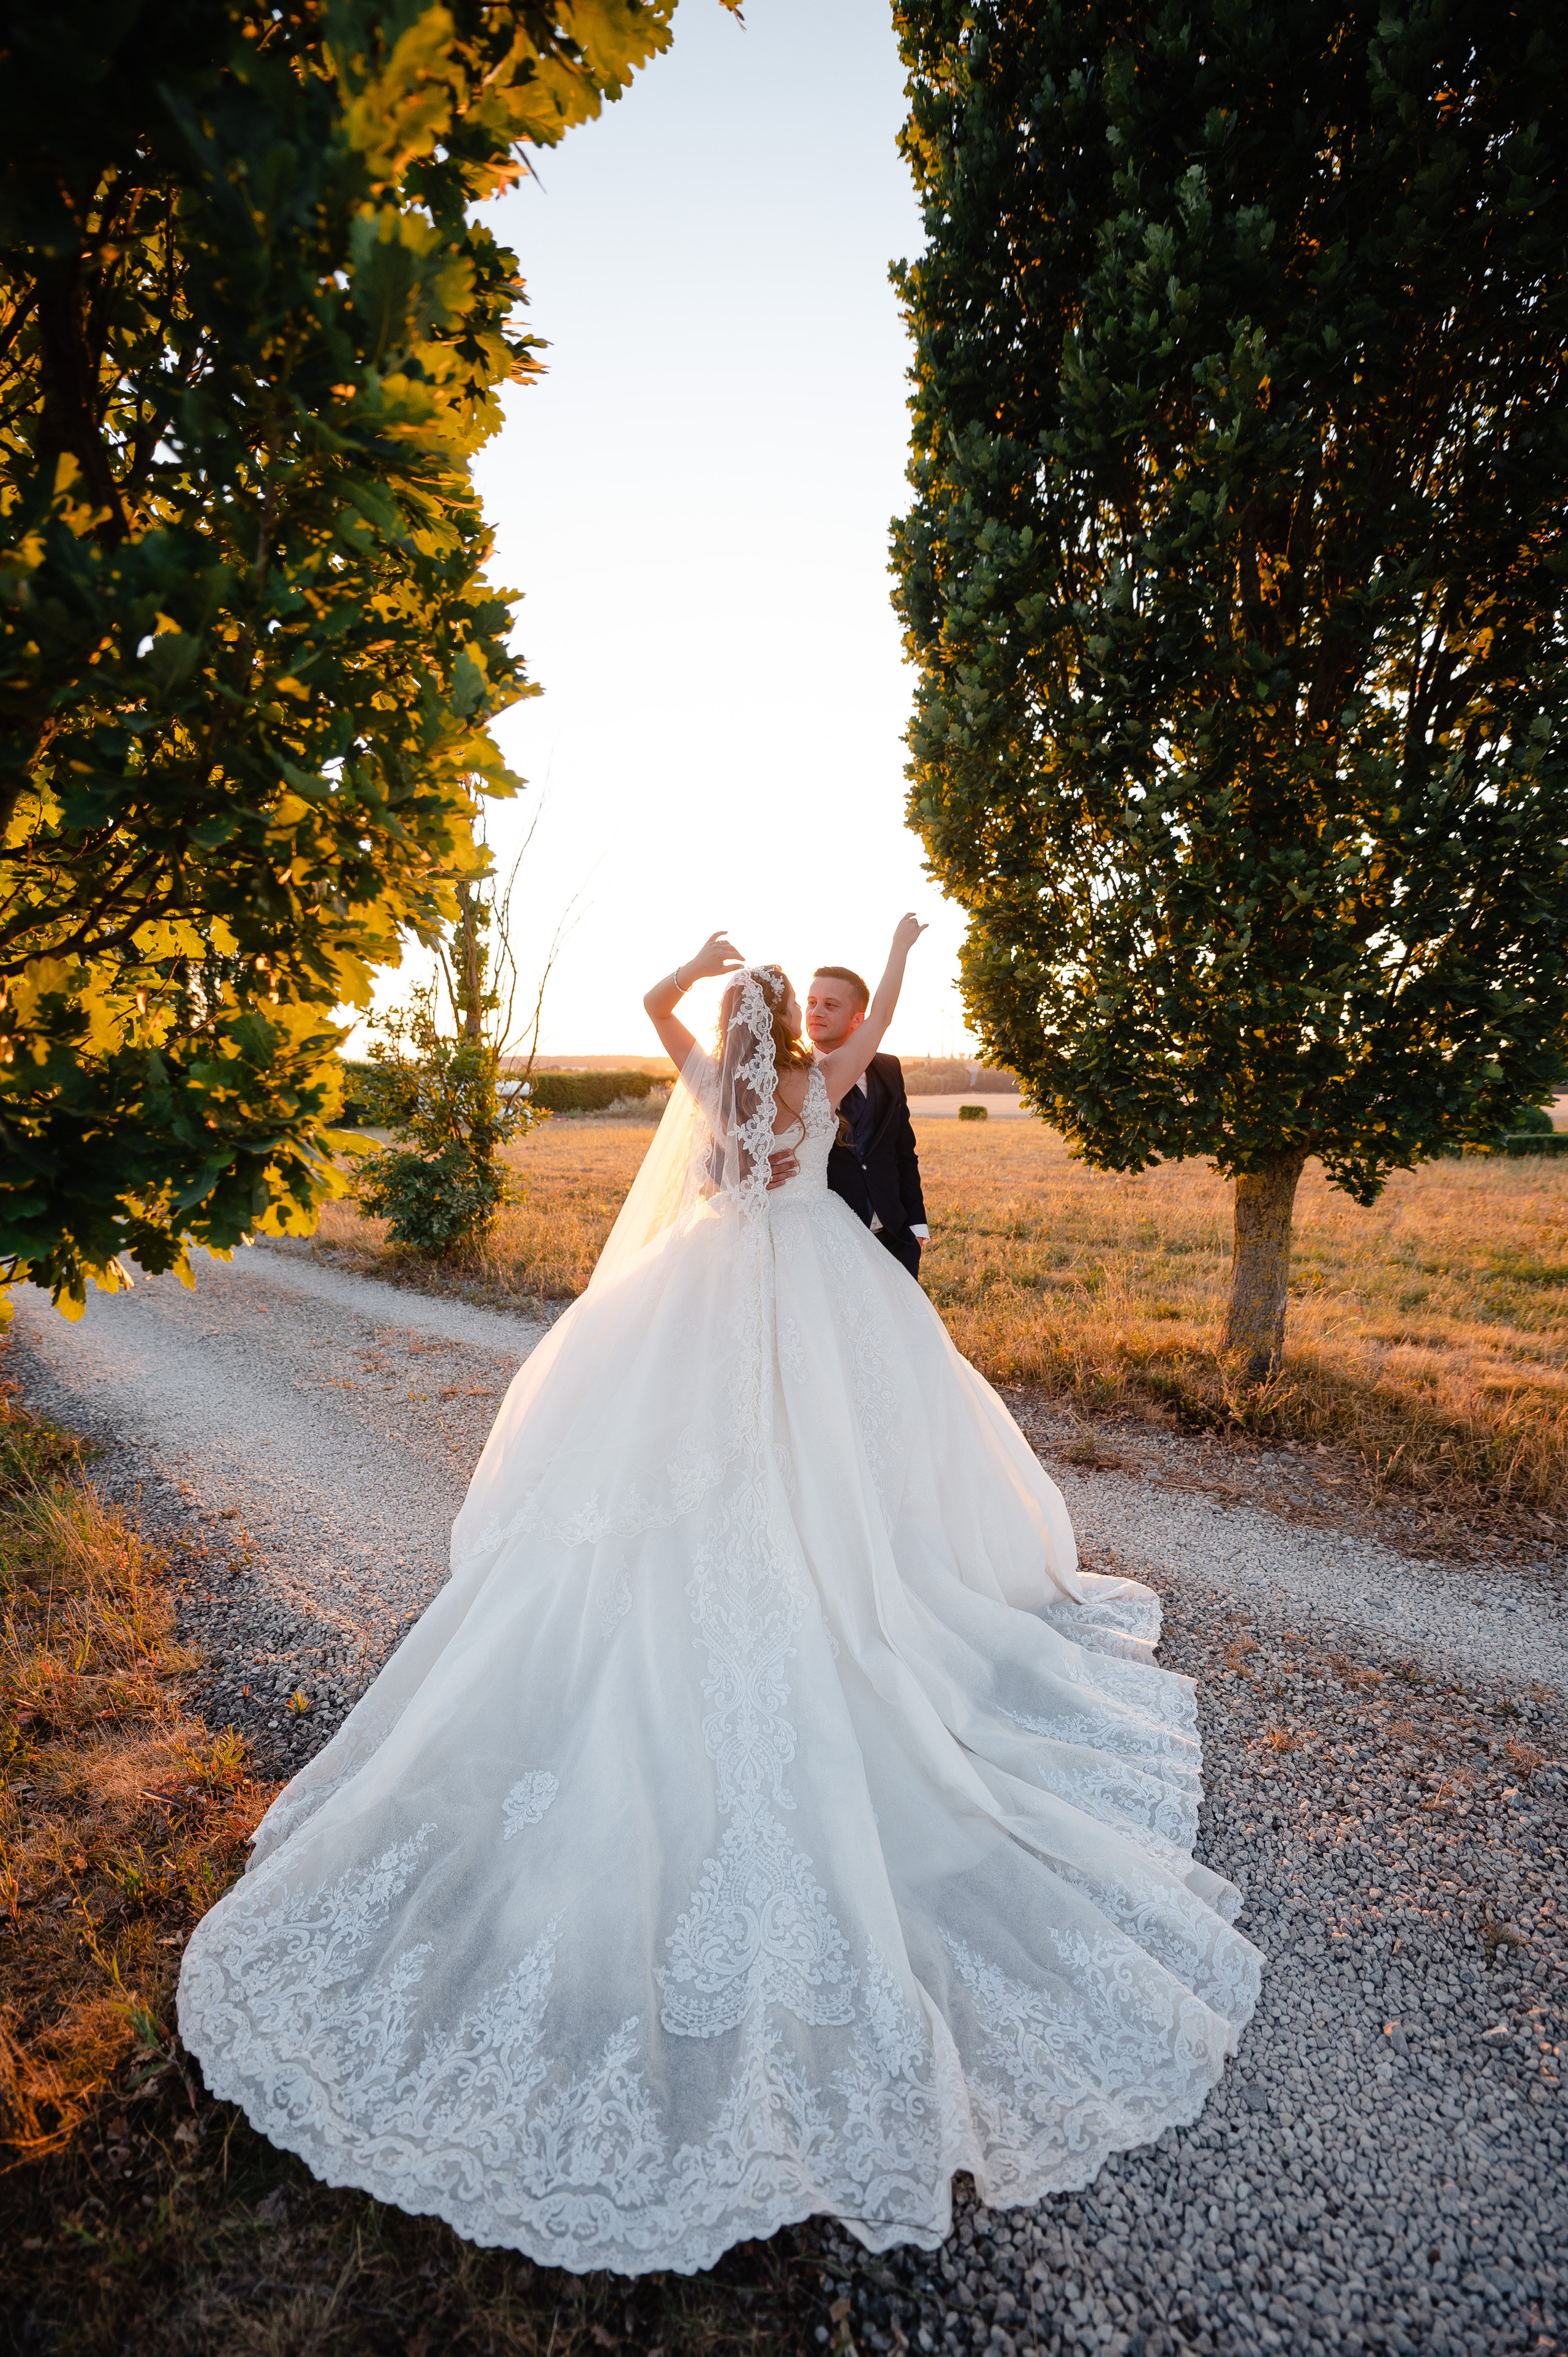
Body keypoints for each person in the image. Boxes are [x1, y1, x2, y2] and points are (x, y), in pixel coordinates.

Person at [178, 918, 1260, 2279]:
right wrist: (897, 942)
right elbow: (882, 1023)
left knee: (683, 1474)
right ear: (787, 1033)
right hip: (819, 1281)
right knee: (838, 1464)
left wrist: (693, 960)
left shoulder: (706, 1083)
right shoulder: (828, 1084)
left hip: (706, 1294)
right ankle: (866, 1578)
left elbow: (647, 1004)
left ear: (729, 1030)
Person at [805, 965, 929, 1279]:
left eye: (830, 1005)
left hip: (895, 1236)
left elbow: (903, 1150)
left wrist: (915, 1222)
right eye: (811, 1002)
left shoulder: (888, 1067)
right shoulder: (793, 1075)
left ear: (858, 1020)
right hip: (826, 1240)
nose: (816, 1012)